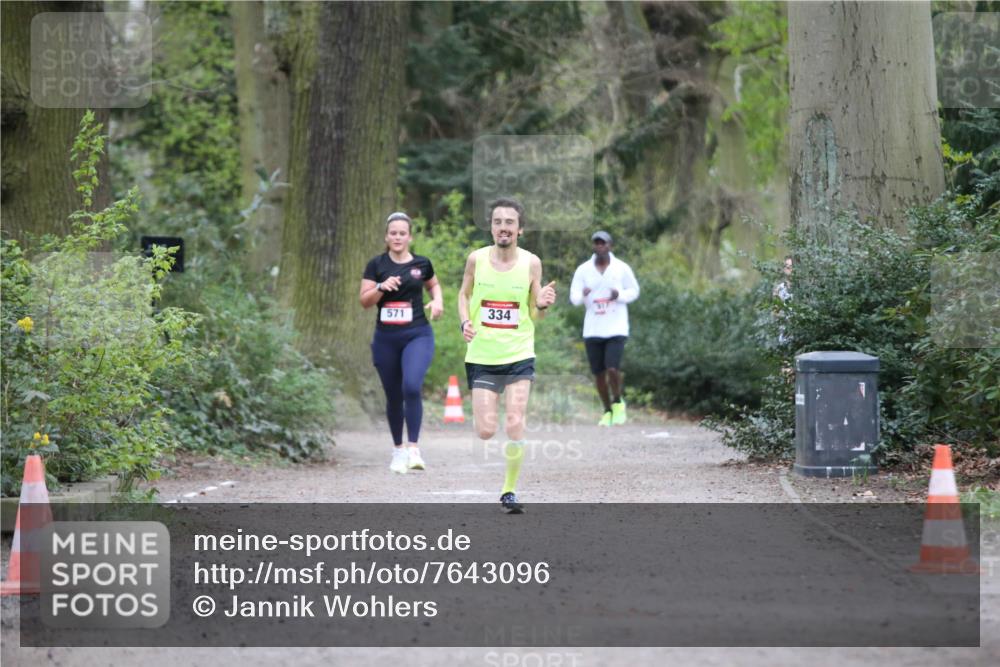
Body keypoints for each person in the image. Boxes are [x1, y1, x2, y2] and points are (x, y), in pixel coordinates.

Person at [458, 197, 556, 513]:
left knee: (515, 421)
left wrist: (540, 304)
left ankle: (509, 491)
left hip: (519, 353)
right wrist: (464, 321)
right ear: (491, 227)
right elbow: (464, 294)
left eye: (510, 222)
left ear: (520, 229)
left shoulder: (532, 263)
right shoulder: (476, 259)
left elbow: (535, 312)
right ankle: (488, 414)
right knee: (486, 430)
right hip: (483, 355)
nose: (504, 227)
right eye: (498, 222)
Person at [360, 212, 443, 474]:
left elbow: (434, 285)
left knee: (411, 386)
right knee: (394, 394)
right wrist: (382, 287)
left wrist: (437, 301)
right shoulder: (376, 265)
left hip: (417, 334)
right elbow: (364, 301)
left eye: (402, 233)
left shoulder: (422, 263)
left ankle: (414, 449)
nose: (397, 237)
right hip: (386, 338)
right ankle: (397, 451)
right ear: (386, 236)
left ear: (410, 237)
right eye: (393, 233)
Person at [569, 231, 640, 426]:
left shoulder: (621, 268)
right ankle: (607, 410)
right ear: (593, 246)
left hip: (616, 326)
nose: (600, 246)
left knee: (612, 368)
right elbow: (573, 297)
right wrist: (582, 295)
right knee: (598, 373)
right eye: (596, 243)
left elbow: (634, 290)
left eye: (603, 243)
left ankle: (618, 401)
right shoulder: (584, 270)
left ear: (610, 245)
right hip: (593, 328)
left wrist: (619, 295)